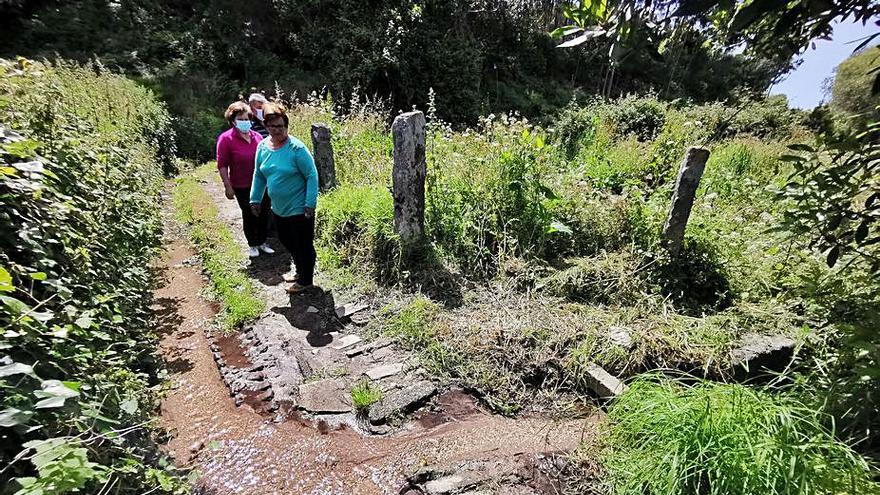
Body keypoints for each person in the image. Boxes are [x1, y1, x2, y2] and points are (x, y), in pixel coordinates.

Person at [250, 103, 318, 294]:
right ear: (266, 127)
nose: (277, 130)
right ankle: (300, 271)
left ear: (286, 126)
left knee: (303, 244)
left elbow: (311, 175)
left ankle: (306, 280)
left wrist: (310, 203)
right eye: (273, 126)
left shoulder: (297, 148)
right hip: (278, 208)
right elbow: (259, 174)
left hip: (300, 207)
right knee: (287, 240)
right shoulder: (262, 147)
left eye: (281, 126)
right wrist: (254, 198)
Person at [216, 101, 274, 258]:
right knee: (249, 214)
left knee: (264, 213)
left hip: (262, 184)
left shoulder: (257, 136)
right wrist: (227, 186)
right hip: (241, 185)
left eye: (246, 118)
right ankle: (253, 244)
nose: (245, 121)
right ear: (233, 120)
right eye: (240, 119)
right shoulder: (226, 139)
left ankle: (263, 242)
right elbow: (222, 165)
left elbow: (266, 159)